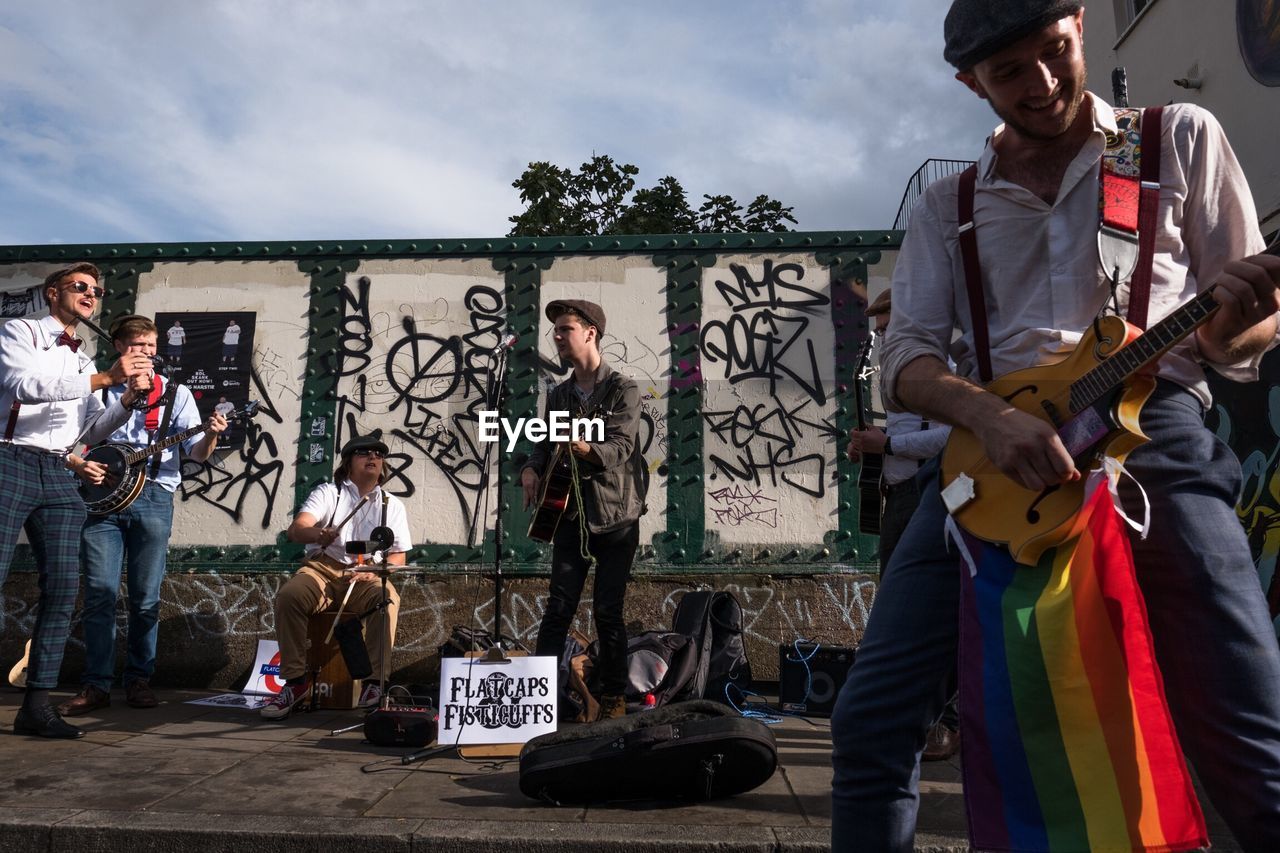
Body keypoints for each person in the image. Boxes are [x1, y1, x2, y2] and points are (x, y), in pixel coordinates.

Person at [830, 2, 1280, 850]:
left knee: (1252, 734)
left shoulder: (1173, 139)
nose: (1041, 84)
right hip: (988, 461)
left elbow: (1239, 338)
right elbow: (908, 360)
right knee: (870, 724)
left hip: (1158, 436)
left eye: (1055, 51)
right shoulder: (945, 205)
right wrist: (987, 416)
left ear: (1080, 22)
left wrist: (1236, 325)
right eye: (1008, 72)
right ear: (970, 82)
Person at [0, 263, 152, 738]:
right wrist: (106, 379)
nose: (91, 295)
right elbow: (24, 388)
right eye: (80, 287)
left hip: (61, 472)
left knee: (64, 589)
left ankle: (37, 705)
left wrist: (125, 400)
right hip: (10, 460)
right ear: (52, 293)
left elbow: (89, 430)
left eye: (96, 290)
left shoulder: (86, 360)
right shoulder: (18, 331)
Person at [59, 315, 228, 717]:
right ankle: (96, 684)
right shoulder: (97, 388)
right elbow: (82, 439)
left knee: (145, 597)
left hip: (152, 497)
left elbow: (195, 454)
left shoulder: (177, 393)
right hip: (100, 499)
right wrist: (126, 396)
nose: (148, 353)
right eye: (139, 346)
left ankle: (138, 679)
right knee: (99, 594)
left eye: (152, 346)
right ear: (119, 347)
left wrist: (213, 434)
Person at [844, 288, 957, 761]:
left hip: (930, 494)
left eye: (887, 328)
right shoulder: (898, 377)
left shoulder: (941, 369)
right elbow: (905, 434)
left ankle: (945, 720)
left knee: (927, 611)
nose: (881, 337)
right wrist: (872, 446)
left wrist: (886, 446)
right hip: (899, 495)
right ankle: (908, 718)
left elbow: (953, 438)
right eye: (878, 330)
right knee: (895, 600)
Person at [520, 300, 643, 721]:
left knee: (608, 611)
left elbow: (621, 448)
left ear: (590, 332)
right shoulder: (559, 394)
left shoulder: (622, 389)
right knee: (558, 608)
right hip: (570, 516)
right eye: (554, 329)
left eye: (564, 328)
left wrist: (584, 447)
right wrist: (532, 469)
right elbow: (542, 443)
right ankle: (540, 698)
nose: (556, 336)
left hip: (616, 518)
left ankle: (613, 699)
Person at [260, 433, 410, 720]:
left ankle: (375, 685)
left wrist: (376, 571)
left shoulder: (392, 504)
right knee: (290, 596)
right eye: (364, 453)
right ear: (348, 463)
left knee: (386, 597)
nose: (373, 457)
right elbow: (296, 530)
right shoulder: (330, 493)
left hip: (364, 573)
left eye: (378, 454)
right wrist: (320, 534)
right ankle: (295, 682)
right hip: (323, 569)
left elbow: (399, 556)